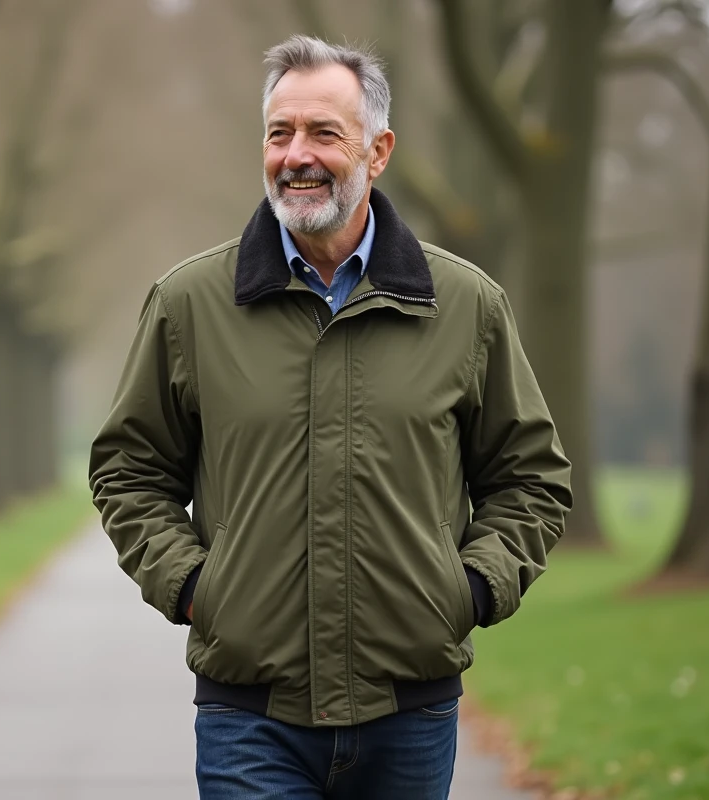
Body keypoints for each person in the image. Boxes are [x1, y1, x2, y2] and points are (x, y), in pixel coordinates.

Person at [88, 34, 572, 799]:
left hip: (410, 712)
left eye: (323, 133)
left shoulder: (466, 306)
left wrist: (470, 590)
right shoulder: (188, 305)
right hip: (249, 714)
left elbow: (531, 480)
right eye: (279, 133)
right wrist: (194, 588)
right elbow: (128, 470)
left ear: (378, 151)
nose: (296, 155)